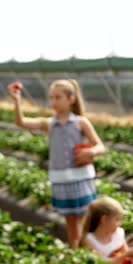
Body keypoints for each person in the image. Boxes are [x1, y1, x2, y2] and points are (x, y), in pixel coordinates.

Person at [7, 79, 106, 248]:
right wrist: (17, 101)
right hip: (61, 181)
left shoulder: (80, 122)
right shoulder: (49, 124)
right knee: (71, 224)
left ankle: (85, 253)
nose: (53, 102)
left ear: (71, 99)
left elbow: (100, 146)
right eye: (51, 97)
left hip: (81, 179)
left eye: (58, 97)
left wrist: (91, 152)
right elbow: (21, 122)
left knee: (84, 223)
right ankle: (76, 253)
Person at [80, 197, 133, 264]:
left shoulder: (118, 233)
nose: (120, 223)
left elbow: (126, 253)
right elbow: (100, 262)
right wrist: (125, 255)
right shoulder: (88, 240)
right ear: (104, 219)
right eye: (117, 219)